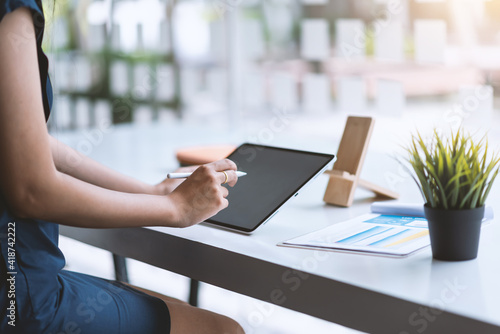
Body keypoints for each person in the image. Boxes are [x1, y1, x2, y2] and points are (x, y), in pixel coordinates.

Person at [0, 0, 245, 333]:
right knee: (222, 330)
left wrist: (151, 192)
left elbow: (29, 145)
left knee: (173, 307)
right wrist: (174, 208)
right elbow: (31, 190)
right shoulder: (13, 9)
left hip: (18, 287)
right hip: (19, 301)